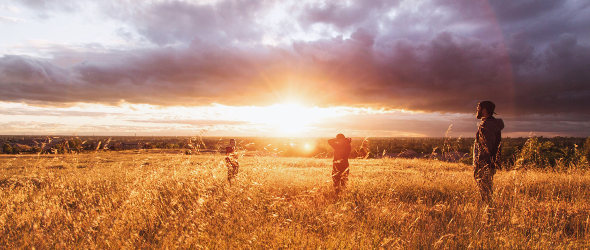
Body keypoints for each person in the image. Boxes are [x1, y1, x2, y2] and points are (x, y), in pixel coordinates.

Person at [473, 101, 504, 207]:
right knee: (486, 190)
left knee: (485, 192)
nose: (477, 110)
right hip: (486, 163)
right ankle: (488, 211)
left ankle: (488, 213)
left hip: (485, 164)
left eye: (479, 108)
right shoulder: (488, 124)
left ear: (484, 110)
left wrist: (482, 164)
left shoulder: (488, 125)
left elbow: (487, 147)